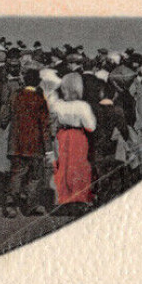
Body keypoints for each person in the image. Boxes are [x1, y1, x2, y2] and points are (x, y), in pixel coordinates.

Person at [5, 71, 51, 217]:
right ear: (38, 83)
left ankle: (11, 205)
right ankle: (31, 205)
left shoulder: (15, 95)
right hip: (34, 143)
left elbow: (5, 115)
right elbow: (45, 124)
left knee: (16, 174)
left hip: (16, 142)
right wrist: (48, 147)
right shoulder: (40, 99)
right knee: (35, 176)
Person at [50, 72, 97, 211]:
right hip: (78, 136)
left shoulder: (57, 104)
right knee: (79, 166)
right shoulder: (83, 106)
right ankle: (80, 197)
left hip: (61, 135)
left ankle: (61, 197)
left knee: (61, 166)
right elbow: (91, 126)